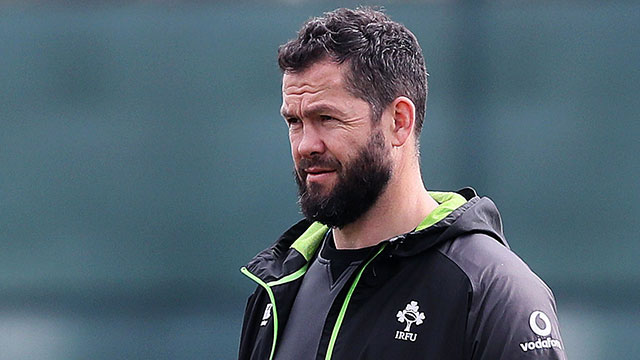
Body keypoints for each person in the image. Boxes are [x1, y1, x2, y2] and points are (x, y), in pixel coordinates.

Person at [239, 7, 566, 360]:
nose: (306, 145)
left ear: (399, 121)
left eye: (326, 118)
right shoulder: (278, 287)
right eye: (295, 122)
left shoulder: (491, 291)